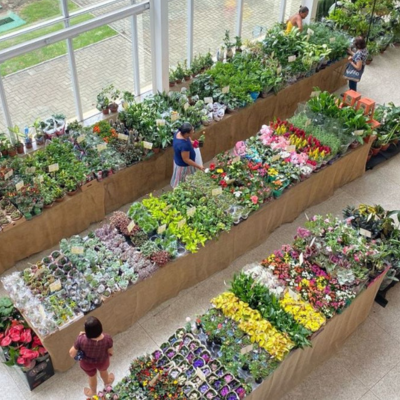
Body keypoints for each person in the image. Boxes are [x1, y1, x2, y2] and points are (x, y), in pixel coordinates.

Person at [69, 317, 114, 398]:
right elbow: (110, 351)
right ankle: (107, 383)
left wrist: (79, 337)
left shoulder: (81, 339)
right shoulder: (108, 338)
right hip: (103, 361)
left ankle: (93, 392)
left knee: (92, 376)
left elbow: (72, 353)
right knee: (104, 371)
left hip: (87, 363)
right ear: (100, 327)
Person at [170, 122, 204, 188]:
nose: (193, 131)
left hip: (178, 161)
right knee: (181, 183)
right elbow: (186, 159)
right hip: (184, 167)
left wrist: (193, 143)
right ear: (186, 133)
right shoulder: (184, 145)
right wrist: (199, 166)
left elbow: (188, 139)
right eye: (192, 131)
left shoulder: (178, 133)